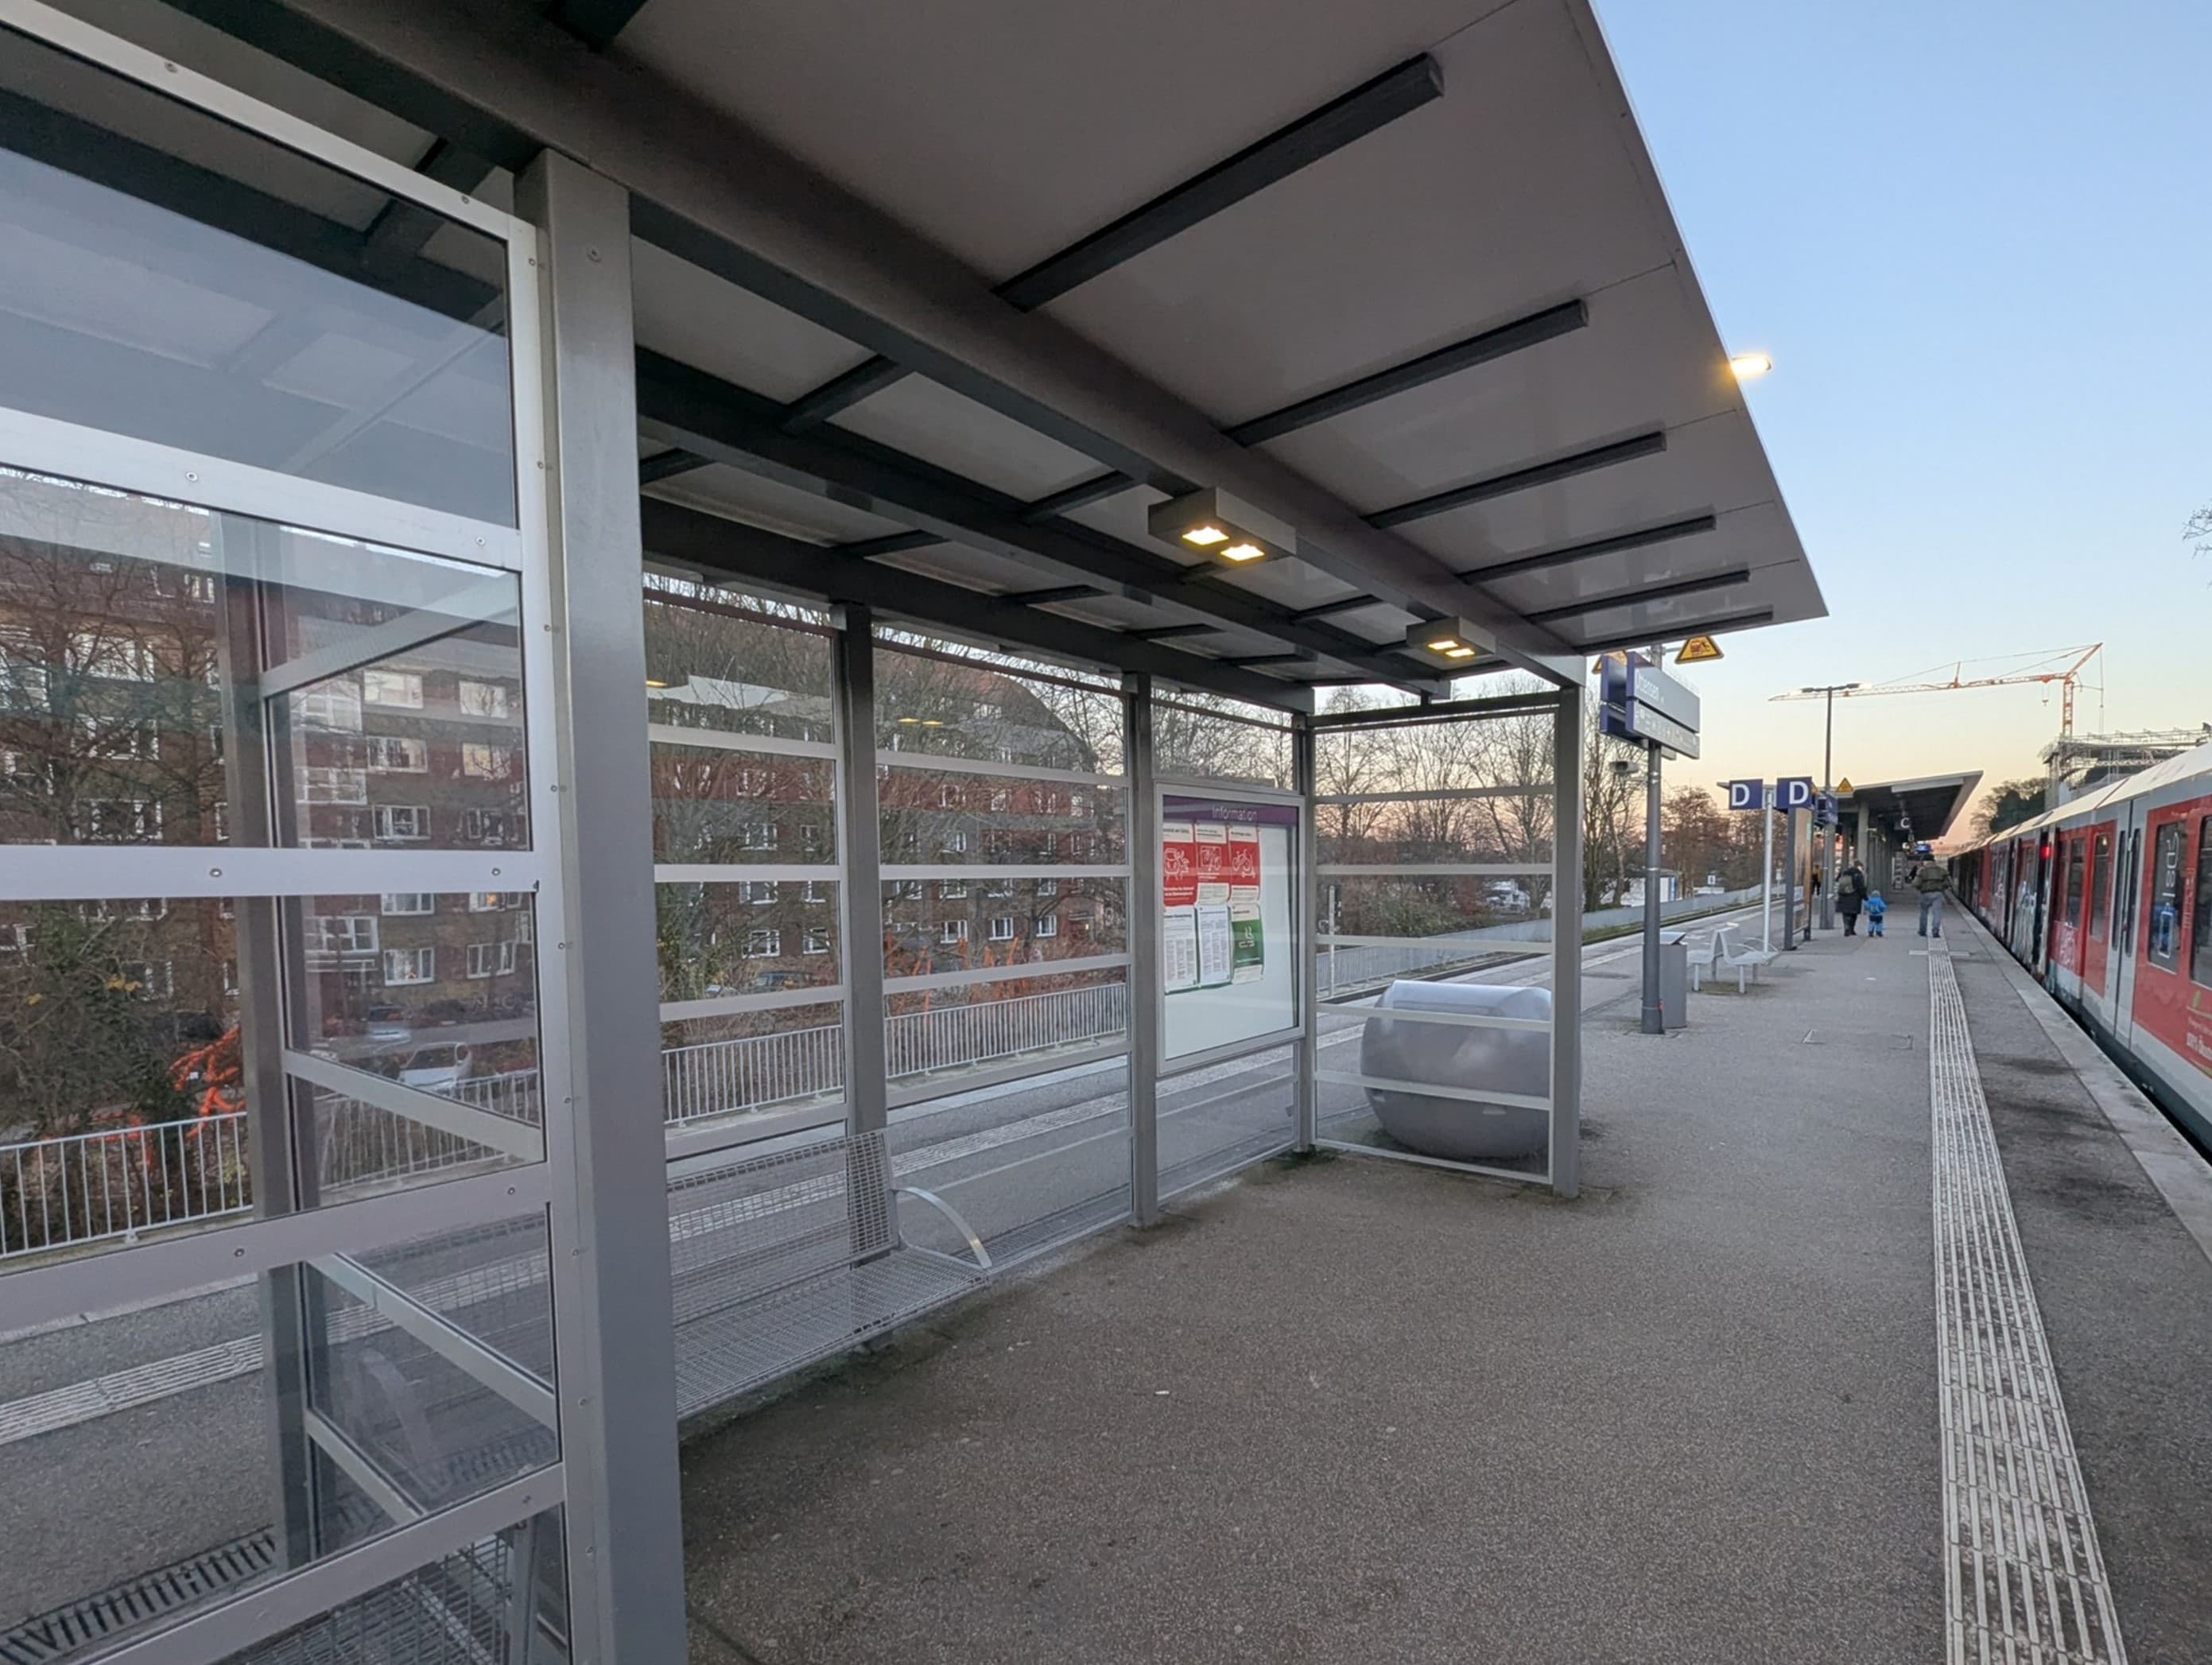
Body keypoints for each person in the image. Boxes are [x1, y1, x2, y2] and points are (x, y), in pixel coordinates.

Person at [1914, 852, 1953, 937]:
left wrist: (1919, 888)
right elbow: (1949, 883)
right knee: (1937, 913)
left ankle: (1922, 931)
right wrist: (1942, 887)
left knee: (1924, 913)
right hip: (1938, 894)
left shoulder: (1922, 871)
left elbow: (1916, 883)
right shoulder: (1942, 870)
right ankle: (1935, 931)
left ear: (1925, 861)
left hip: (1925, 894)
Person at [1835, 858, 1867, 935]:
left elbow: (1837, 881)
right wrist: (1864, 896)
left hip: (1843, 895)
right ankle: (1851, 928)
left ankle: (1846, 926)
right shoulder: (1858, 874)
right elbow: (1861, 887)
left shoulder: (1844, 873)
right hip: (1854, 896)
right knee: (1853, 914)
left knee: (1845, 913)